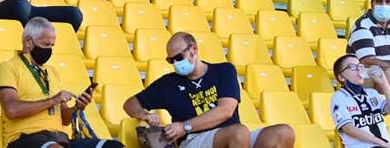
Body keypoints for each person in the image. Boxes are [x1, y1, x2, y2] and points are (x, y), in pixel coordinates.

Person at [124, 31, 295, 148]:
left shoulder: (223, 71)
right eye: (171, 61)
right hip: (194, 140)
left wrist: (184, 126)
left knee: (283, 133)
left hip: (229, 137)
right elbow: (130, 104)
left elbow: (226, 110)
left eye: (178, 57)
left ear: (194, 50)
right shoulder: (168, 84)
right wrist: (145, 115)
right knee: (239, 133)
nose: (176, 64)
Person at [0, 18, 119, 148]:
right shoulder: (8, 67)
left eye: (52, 45)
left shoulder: (52, 71)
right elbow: (11, 109)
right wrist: (52, 100)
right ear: (28, 42)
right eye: (46, 45)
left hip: (61, 138)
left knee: (114, 146)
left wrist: (78, 107)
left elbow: (65, 119)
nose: (49, 50)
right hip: (26, 138)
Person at [330, 54, 390, 148]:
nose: (359, 69)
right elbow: (348, 128)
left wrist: (384, 84)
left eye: (360, 66)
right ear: (341, 77)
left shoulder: (372, 93)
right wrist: (381, 143)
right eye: (352, 67)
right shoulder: (339, 97)